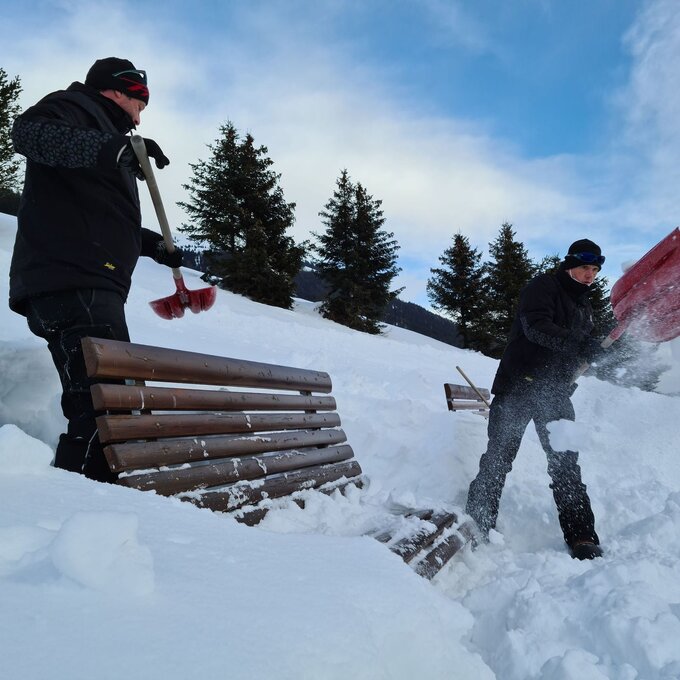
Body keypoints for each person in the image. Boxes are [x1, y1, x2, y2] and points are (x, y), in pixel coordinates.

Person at [8, 57, 182, 483]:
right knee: (106, 407)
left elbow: (101, 216)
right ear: (118, 91)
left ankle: (90, 499)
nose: (140, 116)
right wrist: (110, 149)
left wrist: (154, 246)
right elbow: (27, 133)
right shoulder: (74, 107)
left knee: (108, 404)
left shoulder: (105, 136)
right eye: (140, 103)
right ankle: (82, 500)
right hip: (72, 280)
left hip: (87, 281)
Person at [465, 239, 607, 560]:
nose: (590, 274)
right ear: (570, 265)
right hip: (518, 387)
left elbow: (579, 349)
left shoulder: (584, 308)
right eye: (585, 267)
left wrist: (593, 351)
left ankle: (582, 536)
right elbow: (537, 327)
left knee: (566, 465)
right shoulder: (543, 287)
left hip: (556, 395)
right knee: (499, 458)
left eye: (595, 270)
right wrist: (579, 344)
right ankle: (476, 523)